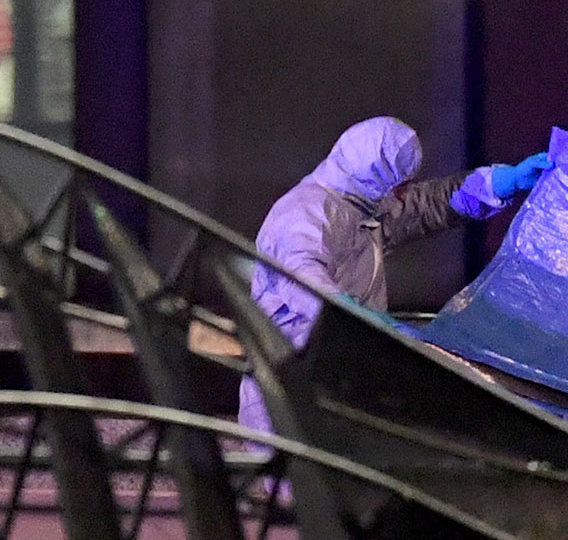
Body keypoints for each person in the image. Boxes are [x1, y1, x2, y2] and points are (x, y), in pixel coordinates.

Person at [236, 116, 552, 434]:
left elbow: (431, 205)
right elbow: (305, 286)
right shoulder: (303, 215)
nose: (402, 194)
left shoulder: (362, 206)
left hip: (340, 381)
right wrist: (365, 321)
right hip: (291, 392)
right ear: (374, 178)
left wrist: (502, 182)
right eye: (399, 185)